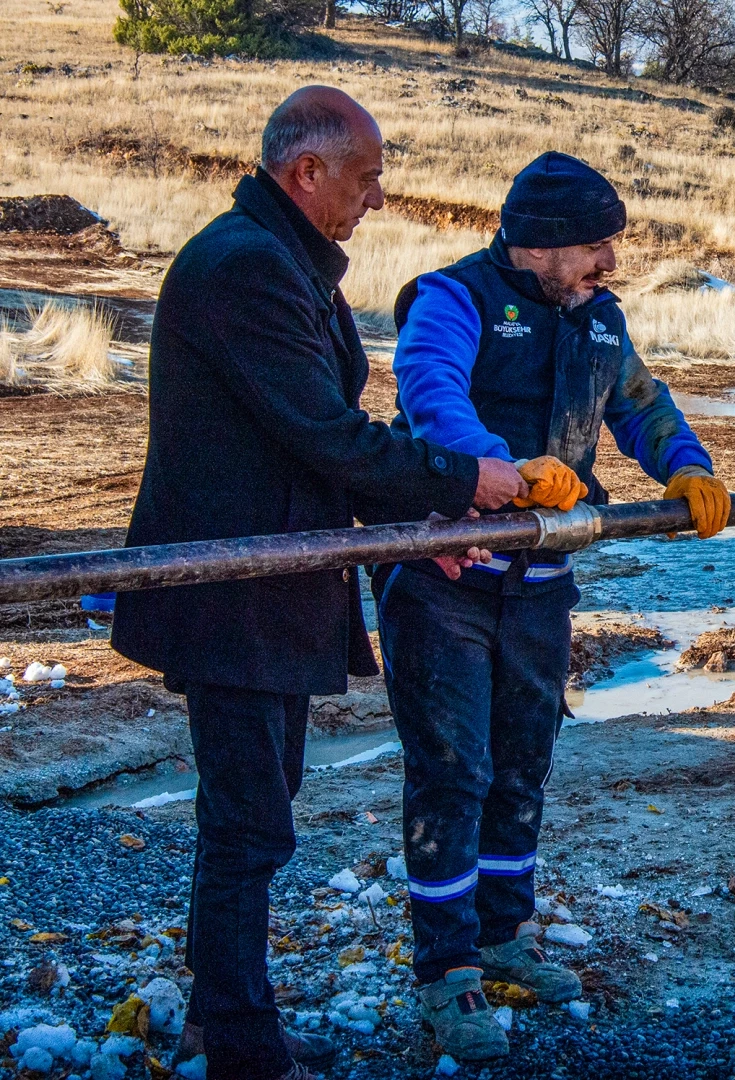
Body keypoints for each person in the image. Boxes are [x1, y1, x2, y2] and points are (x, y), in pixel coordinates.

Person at [110, 86, 527, 1080]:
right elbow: (326, 435)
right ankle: (240, 1042)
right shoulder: (248, 268)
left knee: (256, 807)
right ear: (308, 173)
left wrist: (416, 533)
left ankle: (224, 1017)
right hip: (235, 592)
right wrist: (462, 480)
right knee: (250, 819)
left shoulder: (278, 259)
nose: (378, 197)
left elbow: (308, 453)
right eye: (367, 176)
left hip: (272, 583)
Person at [376, 151, 730, 1060]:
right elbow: (429, 399)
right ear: (540, 244)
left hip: (540, 588)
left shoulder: (600, 320)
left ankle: (502, 940)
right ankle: (445, 973)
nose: (609, 262)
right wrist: (503, 470)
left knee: (522, 764)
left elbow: (643, 407)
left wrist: (684, 464)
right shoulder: (450, 300)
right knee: (452, 773)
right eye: (596, 245)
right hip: (444, 583)